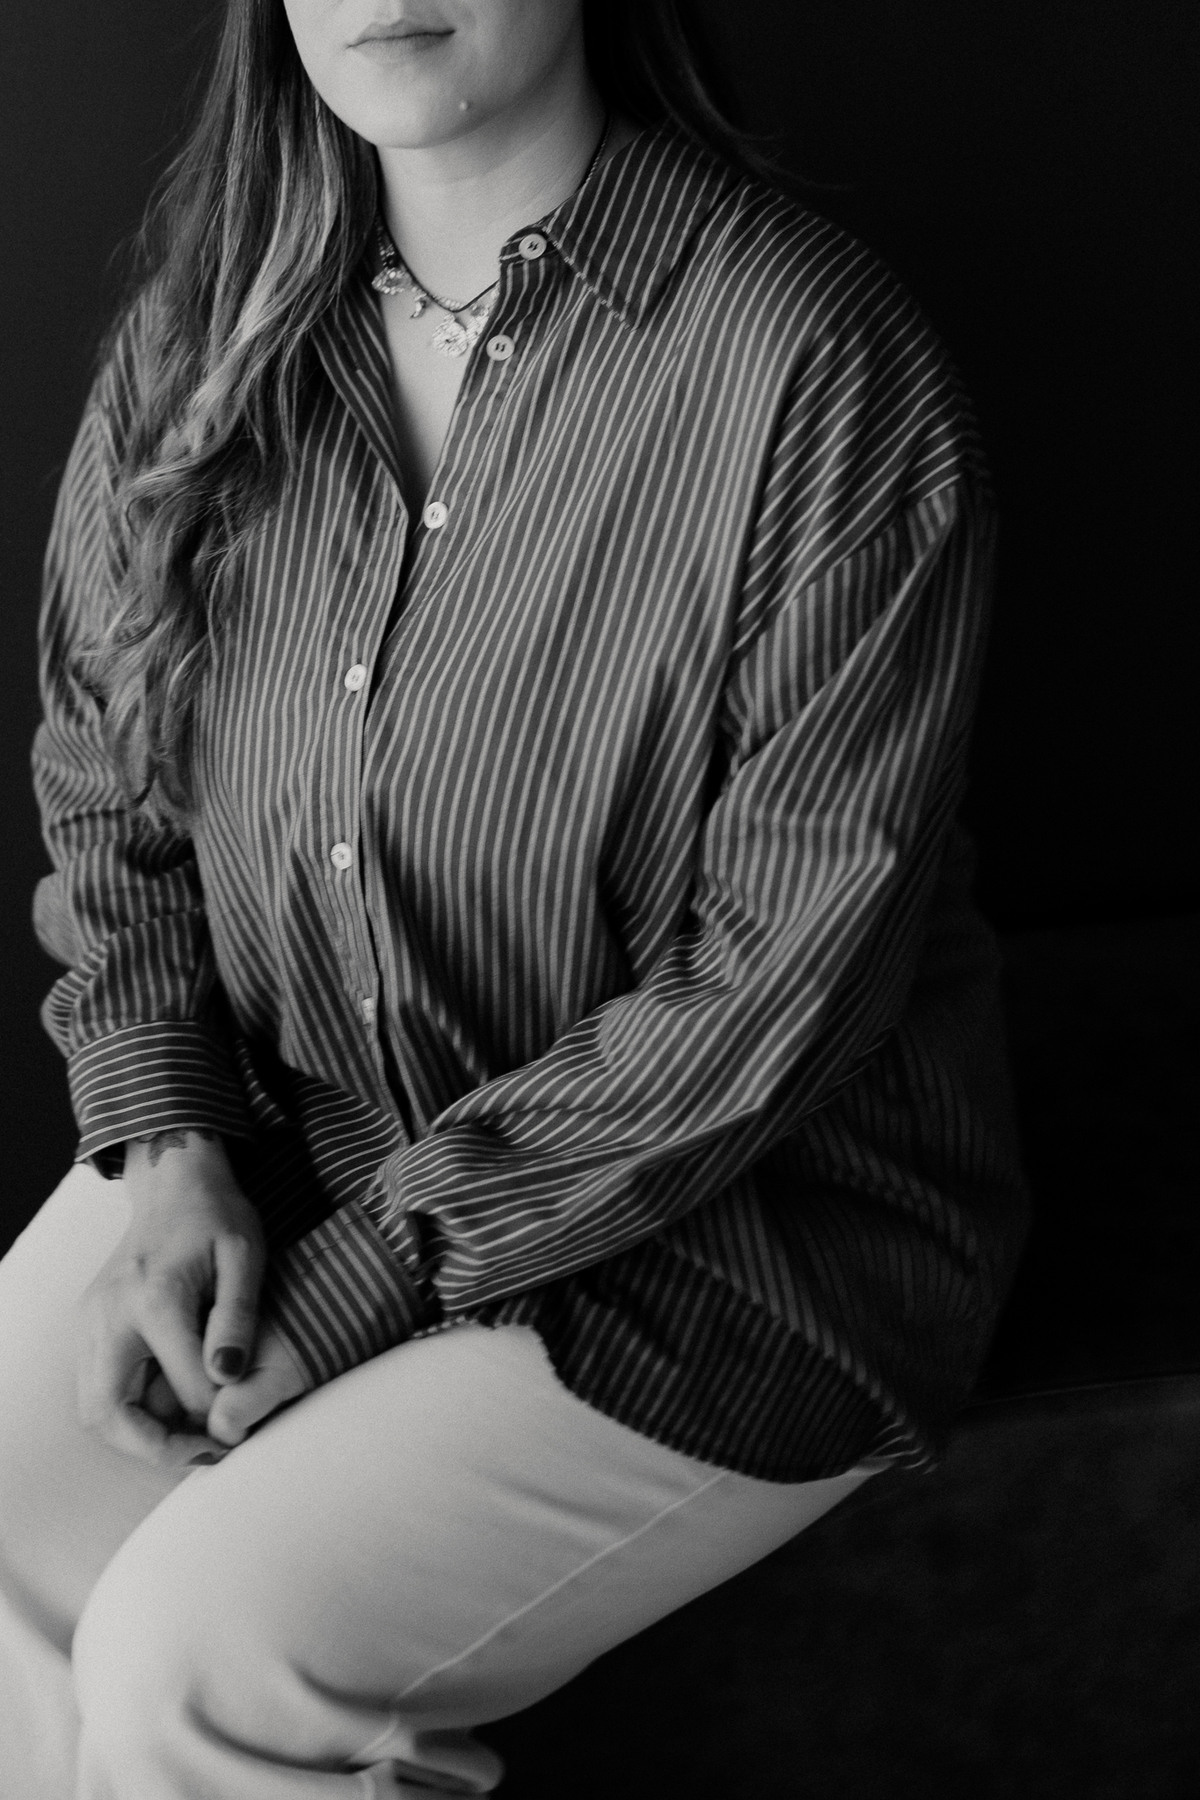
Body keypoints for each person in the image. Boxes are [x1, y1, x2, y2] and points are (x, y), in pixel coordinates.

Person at [0, 1, 1029, 1794]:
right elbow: (111, 791)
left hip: (734, 1242)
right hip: (311, 1131)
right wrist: (169, 1152)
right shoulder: (201, 336)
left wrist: (356, 1285)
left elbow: (769, 995)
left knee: (201, 1651)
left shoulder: (814, 365)